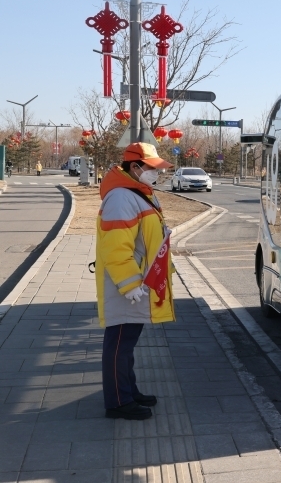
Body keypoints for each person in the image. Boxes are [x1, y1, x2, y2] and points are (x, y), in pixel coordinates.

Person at [95, 142, 175, 420]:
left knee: (126, 344)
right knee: (119, 344)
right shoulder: (121, 197)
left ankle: (128, 391)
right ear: (135, 167)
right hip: (128, 286)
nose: (156, 173)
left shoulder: (136, 193)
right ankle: (118, 401)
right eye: (152, 168)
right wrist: (129, 284)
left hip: (138, 283)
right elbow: (116, 247)